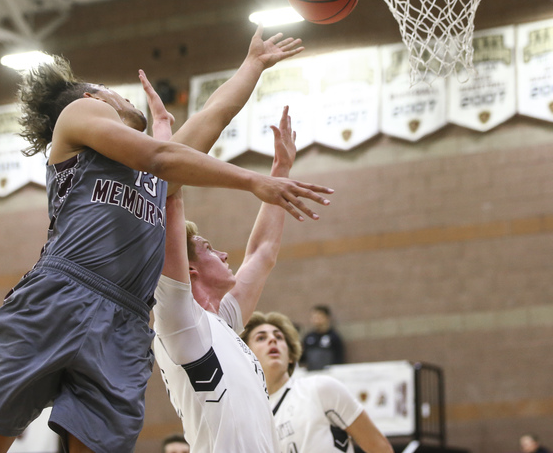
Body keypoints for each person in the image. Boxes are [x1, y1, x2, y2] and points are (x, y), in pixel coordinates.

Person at [0, 26, 333, 453]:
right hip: (62, 294)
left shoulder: (156, 180)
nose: (125, 97)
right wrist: (253, 181)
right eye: (113, 92)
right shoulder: (78, 113)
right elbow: (159, 154)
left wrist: (253, 66)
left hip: (126, 322)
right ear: (93, 98)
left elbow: (212, 116)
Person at [152, 106, 301, 453]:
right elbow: (169, 200)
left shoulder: (224, 322)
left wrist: (280, 170)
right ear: (189, 270)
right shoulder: (180, 320)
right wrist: (162, 134)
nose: (223, 255)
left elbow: (263, 252)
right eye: (208, 248)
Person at [241, 311, 394, 453]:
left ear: (291, 357)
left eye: (279, 337)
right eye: (261, 338)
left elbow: (379, 447)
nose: (272, 340)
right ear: (246, 356)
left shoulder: (320, 388)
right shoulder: (247, 419)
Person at [301, 304, 346, 370]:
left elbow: (339, 358)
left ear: (326, 318)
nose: (316, 320)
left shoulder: (333, 337)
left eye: (319, 317)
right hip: (312, 374)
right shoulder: (308, 337)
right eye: (314, 317)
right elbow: (302, 357)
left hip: (328, 374)